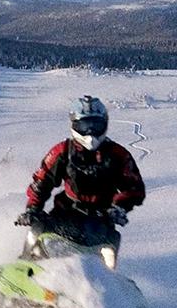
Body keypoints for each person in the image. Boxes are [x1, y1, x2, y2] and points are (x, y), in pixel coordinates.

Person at [16, 95, 145, 247]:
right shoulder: (63, 151)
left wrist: (119, 207)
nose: (90, 132)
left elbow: (134, 187)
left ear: (104, 125)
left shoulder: (118, 154)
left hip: (101, 219)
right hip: (65, 213)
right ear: (75, 125)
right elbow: (42, 181)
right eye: (84, 126)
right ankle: (25, 262)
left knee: (112, 240)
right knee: (38, 232)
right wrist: (33, 209)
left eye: (95, 125)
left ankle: (104, 271)